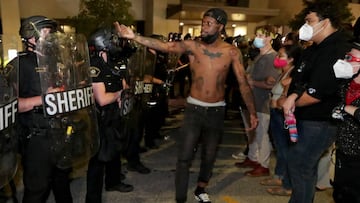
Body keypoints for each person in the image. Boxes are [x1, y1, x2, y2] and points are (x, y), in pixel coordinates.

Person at [114, 7, 258, 203]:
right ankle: (180, 198)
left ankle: (201, 188)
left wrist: (252, 112)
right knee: (184, 157)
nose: (203, 27)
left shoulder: (231, 52)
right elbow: (165, 46)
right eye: (203, 23)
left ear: (220, 27)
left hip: (217, 111)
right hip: (194, 110)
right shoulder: (192, 46)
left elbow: (242, 82)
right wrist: (135, 36)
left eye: (208, 23)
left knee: (209, 156)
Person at [281, 1, 352, 202]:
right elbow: (299, 79)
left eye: (309, 21)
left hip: (319, 121)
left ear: (325, 22)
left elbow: (316, 92)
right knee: (300, 166)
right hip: (304, 118)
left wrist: (289, 102)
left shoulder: (336, 49)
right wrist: (291, 96)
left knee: (301, 165)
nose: (305, 26)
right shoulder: (313, 48)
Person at [8, 15, 75, 203]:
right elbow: (11, 106)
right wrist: (44, 99)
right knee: (37, 188)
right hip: (37, 136)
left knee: (62, 181)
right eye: (46, 31)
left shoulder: (56, 62)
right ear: (30, 36)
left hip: (60, 130)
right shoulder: (18, 65)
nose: (51, 35)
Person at [85, 27, 134, 203]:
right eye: (112, 40)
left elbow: (123, 83)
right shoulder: (94, 67)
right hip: (101, 117)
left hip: (115, 114)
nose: (116, 44)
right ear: (103, 44)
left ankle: (113, 182)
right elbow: (103, 99)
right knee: (98, 159)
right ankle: (92, 199)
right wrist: (119, 94)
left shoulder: (112, 63)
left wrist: (124, 93)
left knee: (115, 151)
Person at [235, 25, 281, 177]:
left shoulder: (273, 58)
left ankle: (264, 164)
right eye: (257, 35)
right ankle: (253, 158)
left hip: (261, 103)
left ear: (270, 37)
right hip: (250, 101)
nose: (258, 38)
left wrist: (253, 82)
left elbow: (271, 83)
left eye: (262, 36)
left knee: (262, 135)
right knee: (252, 133)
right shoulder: (259, 55)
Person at [261, 44, 302, 196]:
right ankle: (279, 176)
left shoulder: (293, 75)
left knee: (285, 149)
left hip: (282, 115)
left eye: (281, 56)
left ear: (291, 59)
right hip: (275, 113)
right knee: (280, 148)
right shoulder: (282, 73)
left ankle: (286, 183)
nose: (277, 58)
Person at [331, 40, 360, 203]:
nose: (346, 61)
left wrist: (345, 108)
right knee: (341, 195)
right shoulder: (346, 84)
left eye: (351, 57)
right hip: (344, 151)